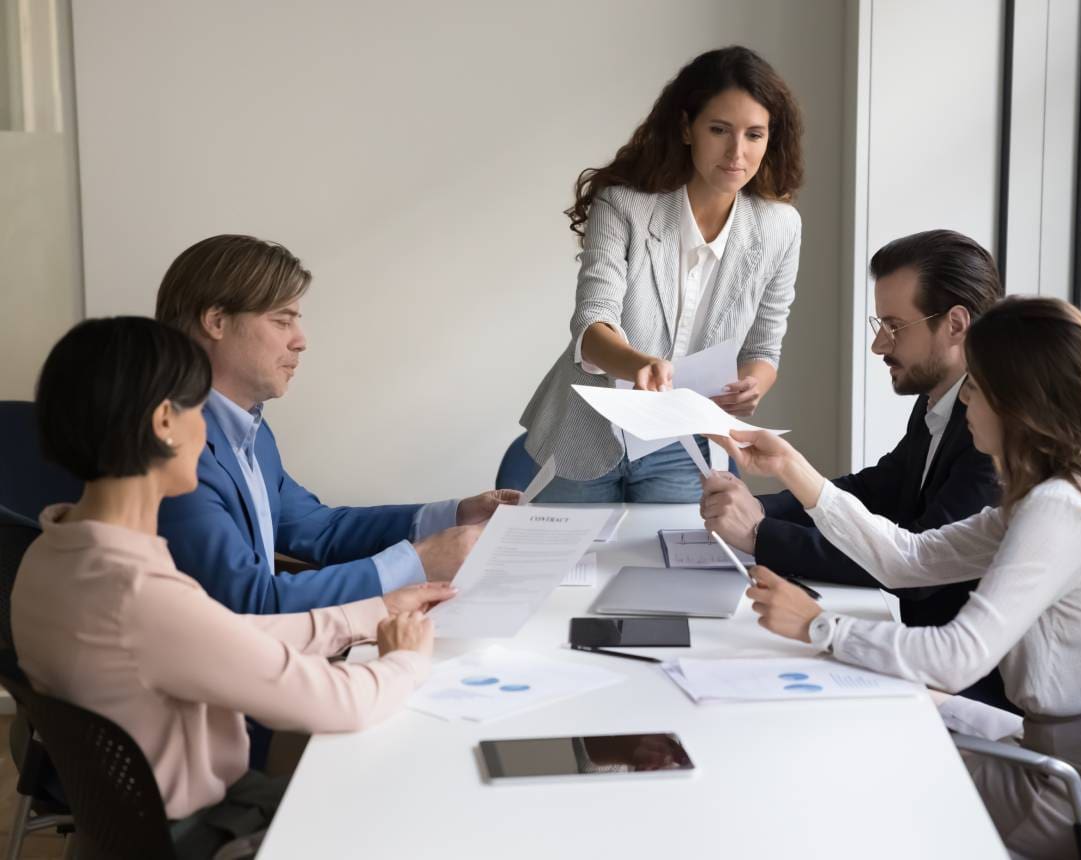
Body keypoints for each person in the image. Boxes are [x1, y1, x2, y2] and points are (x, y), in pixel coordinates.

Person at [717, 296, 1081, 859]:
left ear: (1020, 406)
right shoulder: (1069, 489)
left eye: (977, 389)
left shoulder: (1061, 511)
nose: (965, 403)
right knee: (895, 703)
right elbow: (907, 559)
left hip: (1074, 792)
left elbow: (959, 656)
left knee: (848, 756)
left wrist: (820, 625)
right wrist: (793, 468)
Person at [12, 317, 454, 858]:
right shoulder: (138, 594)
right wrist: (405, 660)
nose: (209, 431)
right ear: (166, 423)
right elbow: (340, 703)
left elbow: (220, 633)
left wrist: (373, 611)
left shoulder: (50, 555)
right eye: (201, 410)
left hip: (129, 832)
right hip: (206, 836)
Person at [701, 229, 1006, 706]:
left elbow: (920, 572)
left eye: (895, 326)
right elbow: (885, 489)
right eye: (878, 324)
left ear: (955, 324)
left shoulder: (993, 433)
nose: (879, 346)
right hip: (925, 656)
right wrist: (765, 508)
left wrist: (761, 534)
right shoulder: (939, 398)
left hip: (968, 689)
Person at [153, 234, 517, 615]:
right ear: (216, 322)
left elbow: (319, 529)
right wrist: (417, 563)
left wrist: (456, 515)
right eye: (282, 321)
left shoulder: (249, 430)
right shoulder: (168, 444)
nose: (300, 341)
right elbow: (248, 601)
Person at [520, 45, 805, 502]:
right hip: (587, 434)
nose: (737, 152)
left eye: (755, 134)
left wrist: (754, 384)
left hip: (687, 443)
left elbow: (765, 347)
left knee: (686, 569)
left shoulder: (780, 227)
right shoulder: (624, 205)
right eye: (719, 130)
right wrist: (642, 366)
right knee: (566, 572)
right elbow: (592, 324)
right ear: (686, 128)